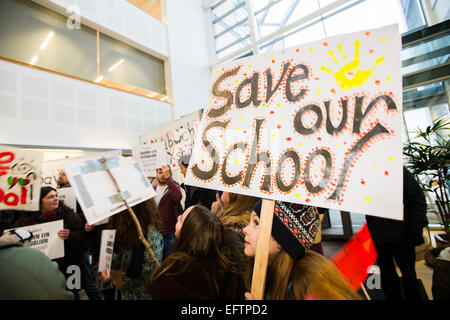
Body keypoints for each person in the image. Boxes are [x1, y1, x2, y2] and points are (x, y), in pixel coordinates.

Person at [244, 200, 361, 300]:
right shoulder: (263, 271)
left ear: (282, 240)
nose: (245, 229)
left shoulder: (309, 289)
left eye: (256, 223)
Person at [147, 205, 244, 300]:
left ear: (188, 233)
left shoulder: (174, 269)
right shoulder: (226, 270)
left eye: (181, 221)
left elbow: (155, 286)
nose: (178, 216)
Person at [366, 166, 428, 300]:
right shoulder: (368, 174)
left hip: (403, 235)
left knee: (409, 276)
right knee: (387, 275)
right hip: (379, 235)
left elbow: (418, 201)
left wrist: (414, 230)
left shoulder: (399, 171)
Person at [13, 186, 85, 299]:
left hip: (66, 266)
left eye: (56, 195)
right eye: (50, 197)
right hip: (40, 269)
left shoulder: (68, 214)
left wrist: (70, 235)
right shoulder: (24, 221)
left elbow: (82, 236)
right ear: (40, 201)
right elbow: (15, 241)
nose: (56, 198)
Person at [102, 198, 163, 300]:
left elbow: (148, 271)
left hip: (141, 294)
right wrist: (111, 266)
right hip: (122, 293)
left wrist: (120, 279)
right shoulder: (122, 225)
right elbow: (117, 251)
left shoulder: (151, 233)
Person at [57, 170, 103, 300]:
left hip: (80, 243)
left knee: (86, 279)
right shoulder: (57, 193)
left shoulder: (81, 194)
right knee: (72, 283)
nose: (60, 177)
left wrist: (85, 224)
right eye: (59, 174)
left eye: (64, 174)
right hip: (65, 248)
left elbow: (89, 213)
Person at [0, 233, 74, 300]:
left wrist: (70, 234)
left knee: (74, 287)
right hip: (45, 268)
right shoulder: (32, 257)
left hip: (67, 262)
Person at [216, 192, 259, 274]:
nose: (223, 187)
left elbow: (242, 277)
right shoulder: (230, 222)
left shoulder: (232, 234)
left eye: (230, 184)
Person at [153, 165, 182, 260]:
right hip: (155, 233)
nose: (162, 175)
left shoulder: (173, 188)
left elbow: (177, 197)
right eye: (160, 172)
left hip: (169, 234)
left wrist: (168, 178)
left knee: (168, 261)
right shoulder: (152, 189)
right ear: (156, 174)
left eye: (164, 173)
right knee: (156, 262)